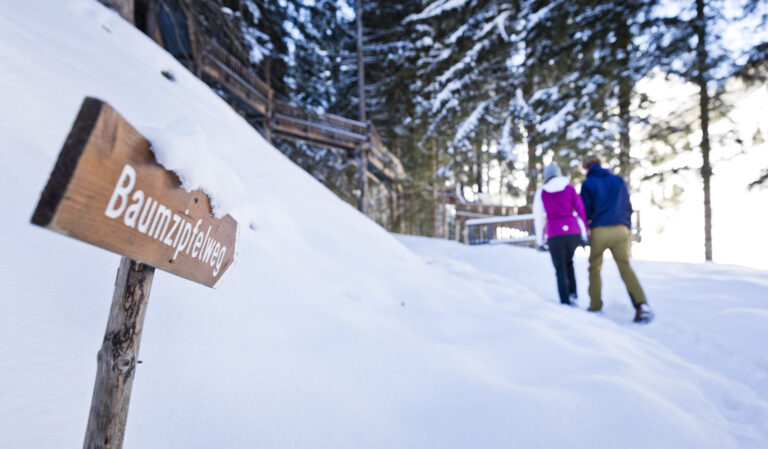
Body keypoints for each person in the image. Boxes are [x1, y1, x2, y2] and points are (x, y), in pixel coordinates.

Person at [579, 154, 653, 323]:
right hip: (621, 230)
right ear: (600, 163)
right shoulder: (618, 181)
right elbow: (628, 207)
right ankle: (641, 305)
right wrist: (625, 225)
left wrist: (587, 229)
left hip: (599, 230)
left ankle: (595, 305)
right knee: (625, 266)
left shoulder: (588, 184)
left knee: (595, 267)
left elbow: (585, 211)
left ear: (586, 168)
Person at [533, 163, 588, 306]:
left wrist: (540, 241)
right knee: (569, 263)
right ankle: (573, 294)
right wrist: (585, 234)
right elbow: (580, 210)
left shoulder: (542, 192)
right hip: (572, 232)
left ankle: (565, 301)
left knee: (560, 268)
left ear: (546, 176)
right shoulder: (569, 187)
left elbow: (538, 217)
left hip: (554, 233)